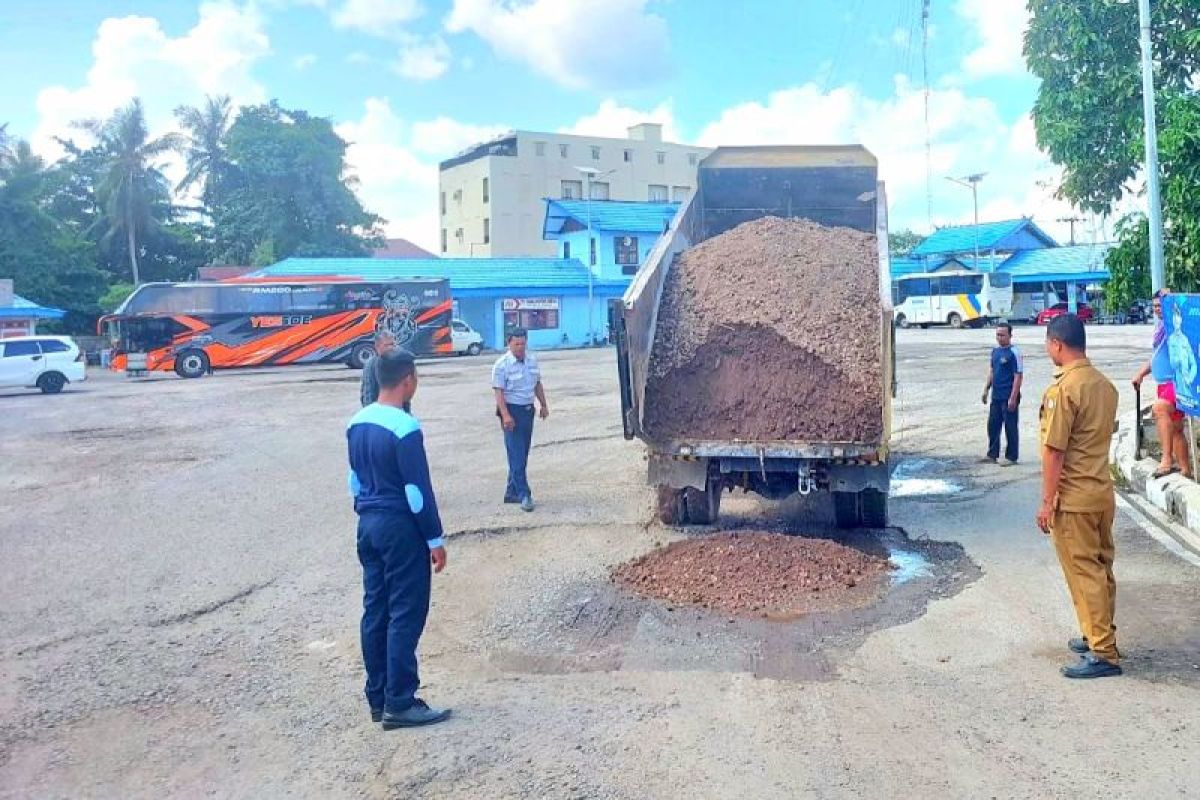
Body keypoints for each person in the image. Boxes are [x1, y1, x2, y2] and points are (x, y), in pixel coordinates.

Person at [347, 349, 451, 728]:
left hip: (368, 524)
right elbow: (416, 491)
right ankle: (400, 701)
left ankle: (378, 698)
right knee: (406, 611)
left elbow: (354, 481)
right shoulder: (405, 427)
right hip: (399, 528)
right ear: (408, 380)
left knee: (376, 609)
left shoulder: (356, 422)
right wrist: (434, 539)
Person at [1037, 314, 1121, 679]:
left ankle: (1103, 651)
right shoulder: (1104, 385)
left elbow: (1054, 451)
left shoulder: (1064, 390)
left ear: (1057, 345)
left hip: (1074, 499)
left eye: (1048, 344)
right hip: (1100, 493)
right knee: (1101, 569)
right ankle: (1097, 633)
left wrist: (1046, 502)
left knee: (1084, 573)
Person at [1132, 289, 1191, 479]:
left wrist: (1170, 300)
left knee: (1159, 409)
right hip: (1163, 384)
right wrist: (1141, 374)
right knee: (1176, 428)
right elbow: (1156, 357)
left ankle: (1166, 459)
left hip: (1176, 382)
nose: (1157, 309)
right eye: (1155, 306)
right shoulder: (1160, 329)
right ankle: (1185, 470)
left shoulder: (1174, 323)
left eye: (1160, 305)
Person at [491, 328, 550, 512]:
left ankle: (511, 492)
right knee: (516, 455)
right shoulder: (502, 365)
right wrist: (506, 415)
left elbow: (537, 384)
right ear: (509, 343)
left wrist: (543, 404)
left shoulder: (532, 361)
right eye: (516, 344)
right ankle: (525, 495)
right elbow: (499, 393)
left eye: (523, 344)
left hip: (527, 411)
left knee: (521, 454)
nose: (520, 347)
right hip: (511, 412)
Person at [981, 322, 1024, 465]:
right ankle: (992, 454)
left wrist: (1013, 398)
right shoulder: (995, 352)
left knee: (1010, 427)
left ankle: (1011, 457)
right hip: (996, 396)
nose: (999, 338)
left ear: (1010, 336)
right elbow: (992, 371)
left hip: (1008, 396)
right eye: (997, 335)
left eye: (1002, 335)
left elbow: (1018, 376)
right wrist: (986, 389)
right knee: (993, 426)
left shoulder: (1014, 353)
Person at [359, 329, 397, 407]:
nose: (392, 348)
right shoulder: (371, 365)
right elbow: (368, 394)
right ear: (377, 347)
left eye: (393, 344)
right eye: (387, 345)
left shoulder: (398, 362)